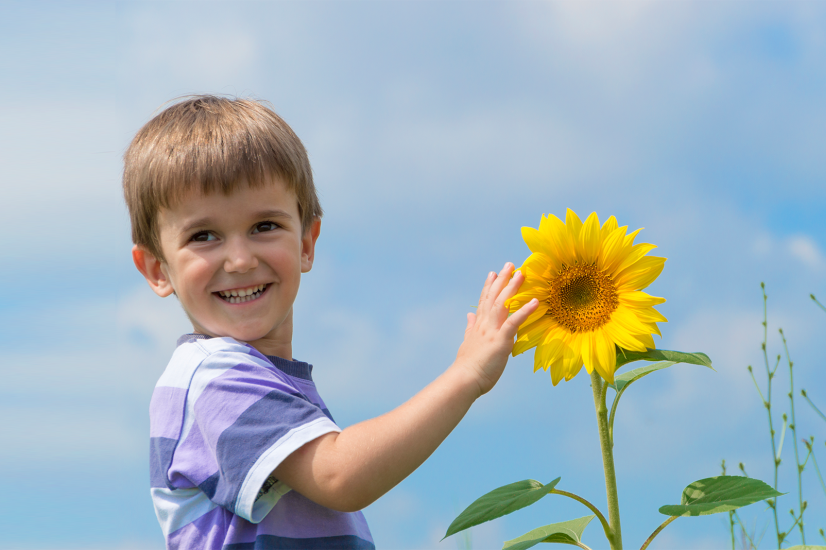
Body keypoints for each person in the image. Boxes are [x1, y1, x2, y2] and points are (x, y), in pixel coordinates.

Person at [125, 95, 539, 549]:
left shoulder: (250, 379)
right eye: (204, 236)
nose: (240, 260)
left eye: (264, 226)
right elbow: (340, 474)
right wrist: (468, 373)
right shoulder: (213, 378)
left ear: (307, 242)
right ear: (157, 269)